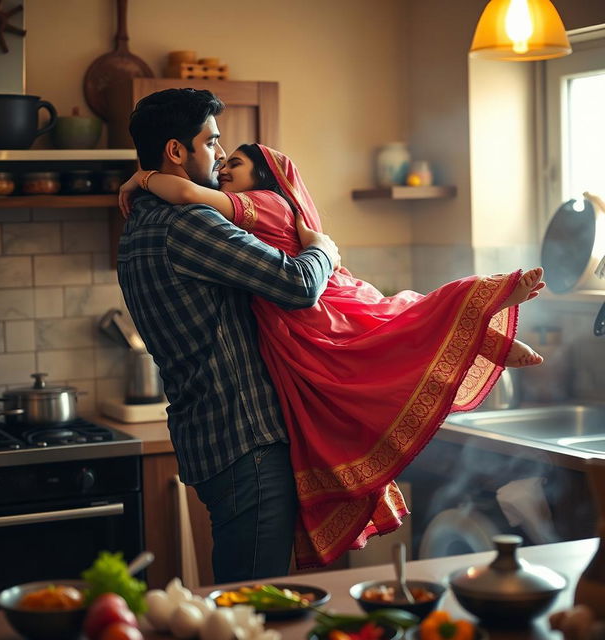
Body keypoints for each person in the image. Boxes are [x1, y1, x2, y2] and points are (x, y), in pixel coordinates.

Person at [120, 142, 546, 569]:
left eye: (234, 162)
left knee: (398, 329)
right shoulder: (232, 213)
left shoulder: (262, 203)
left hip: (322, 308)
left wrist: (143, 178)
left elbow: (191, 194)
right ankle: (489, 339)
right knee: (396, 333)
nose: (221, 164)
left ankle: (493, 306)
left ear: (266, 177)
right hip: (303, 317)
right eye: (217, 150)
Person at [117, 88, 341, 584]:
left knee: (240, 590)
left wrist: (143, 178)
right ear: (177, 151)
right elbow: (299, 284)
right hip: (247, 440)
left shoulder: (136, 225)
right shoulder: (188, 222)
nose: (220, 155)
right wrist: (323, 248)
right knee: (252, 599)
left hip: (207, 436)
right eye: (212, 142)